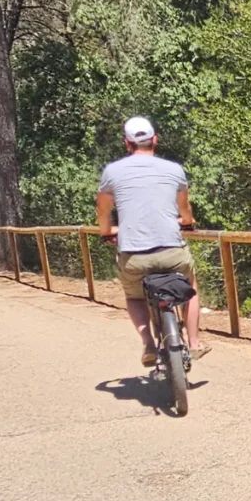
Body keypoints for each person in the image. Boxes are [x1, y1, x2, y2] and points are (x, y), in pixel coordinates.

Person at [96, 116, 210, 367]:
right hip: (171, 250)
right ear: (155, 140)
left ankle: (148, 343)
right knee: (190, 288)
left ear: (126, 143)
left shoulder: (112, 172)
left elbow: (103, 212)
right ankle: (194, 342)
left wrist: (106, 233)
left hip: (134, 255)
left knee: (135, 297)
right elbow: (184, 207)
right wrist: (188, 222)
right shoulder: (174, 169)